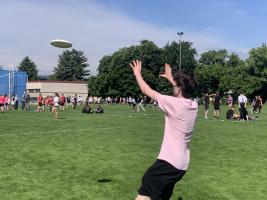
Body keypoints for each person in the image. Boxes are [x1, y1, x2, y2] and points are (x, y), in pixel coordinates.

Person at [130, 60, 198, 200]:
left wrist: (137, 74)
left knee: (146, 190)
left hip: (169, 162)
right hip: (182, 165)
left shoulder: (173, 103)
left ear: (179, 88)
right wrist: (171, 79)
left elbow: (146, 90)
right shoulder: (193, 105)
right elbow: (182, 91)